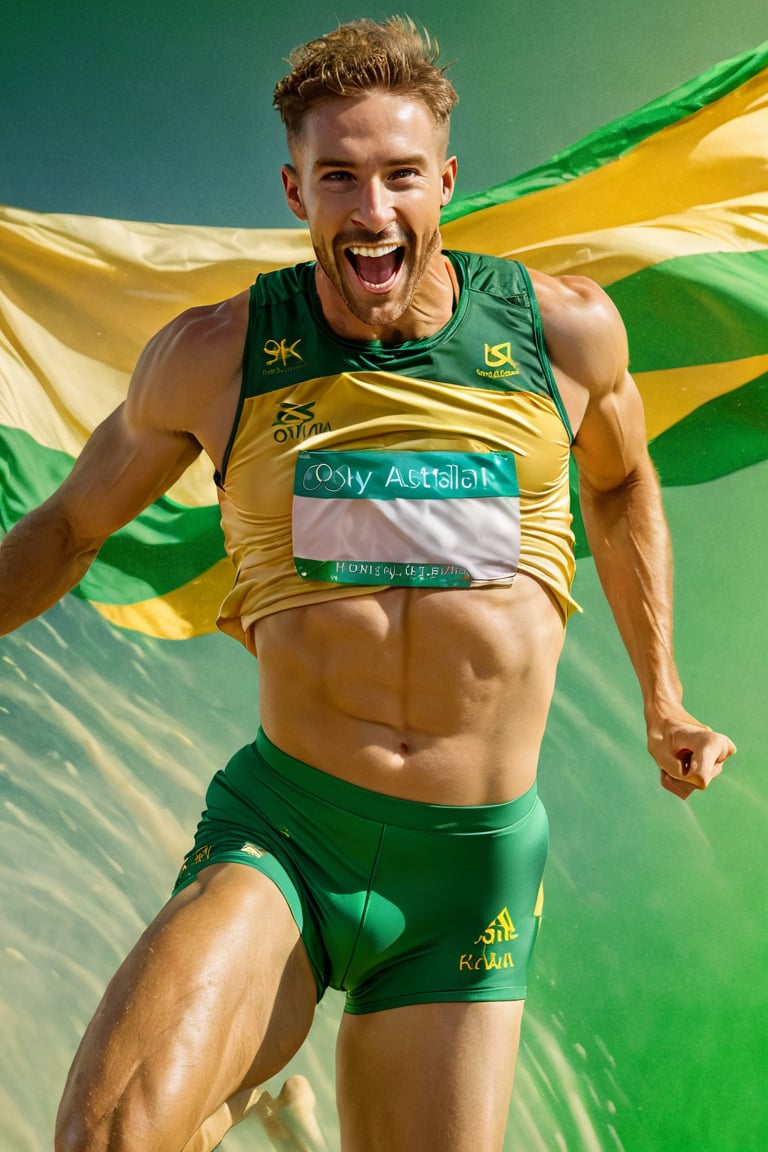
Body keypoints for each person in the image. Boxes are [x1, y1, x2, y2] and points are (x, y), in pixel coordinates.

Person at [0, 16, 735, 1152]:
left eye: (399, 175)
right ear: (295, 189)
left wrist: (665, 697)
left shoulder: (564, 332)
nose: (372, 208)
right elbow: (66, 526)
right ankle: (244, 1085)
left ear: (445, 181)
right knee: (106, 1139)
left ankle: (256, 1094)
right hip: (289, 831)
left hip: (471, 871)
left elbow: (624, 487)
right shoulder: (215, 355)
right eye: (338, 176)